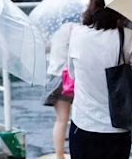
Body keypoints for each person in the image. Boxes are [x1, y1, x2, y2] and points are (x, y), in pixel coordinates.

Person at [67, 0, 132, 159]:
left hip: (83, 126)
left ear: (92, 6)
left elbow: (73, 74)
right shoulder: (127, 37)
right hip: (117, 129)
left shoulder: (77, 34)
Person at [42, 22, 75, 159]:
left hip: (54, 76)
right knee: (78, 120)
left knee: (61, 119)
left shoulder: (57, 30)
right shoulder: (74, 30)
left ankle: (59, 155)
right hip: (68, 77)